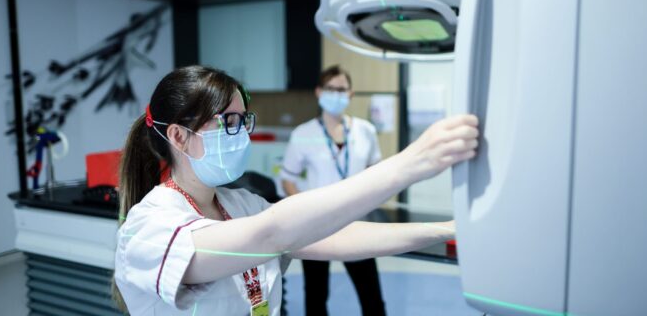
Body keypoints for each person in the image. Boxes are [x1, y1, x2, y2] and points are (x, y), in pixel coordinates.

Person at [112, 66, 479, 316]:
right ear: (178, 135)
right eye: (229, 122)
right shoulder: (149, 226)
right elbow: (273, 232)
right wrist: (410, 164)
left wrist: (447, 230)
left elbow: (337, 234)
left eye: (243, 121)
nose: (241, 134)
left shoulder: (239, 203)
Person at [280, 65, 386, 315]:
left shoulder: (365, 131)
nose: (336, 94)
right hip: (316, 227)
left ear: (351, 94)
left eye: (342, 89)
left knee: (371, 296)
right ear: (319, 92)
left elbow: (376, 172)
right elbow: (287, 179)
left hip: (356, 223)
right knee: (316, 297)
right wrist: (306, 212)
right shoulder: (303, 134)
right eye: (330, 89)